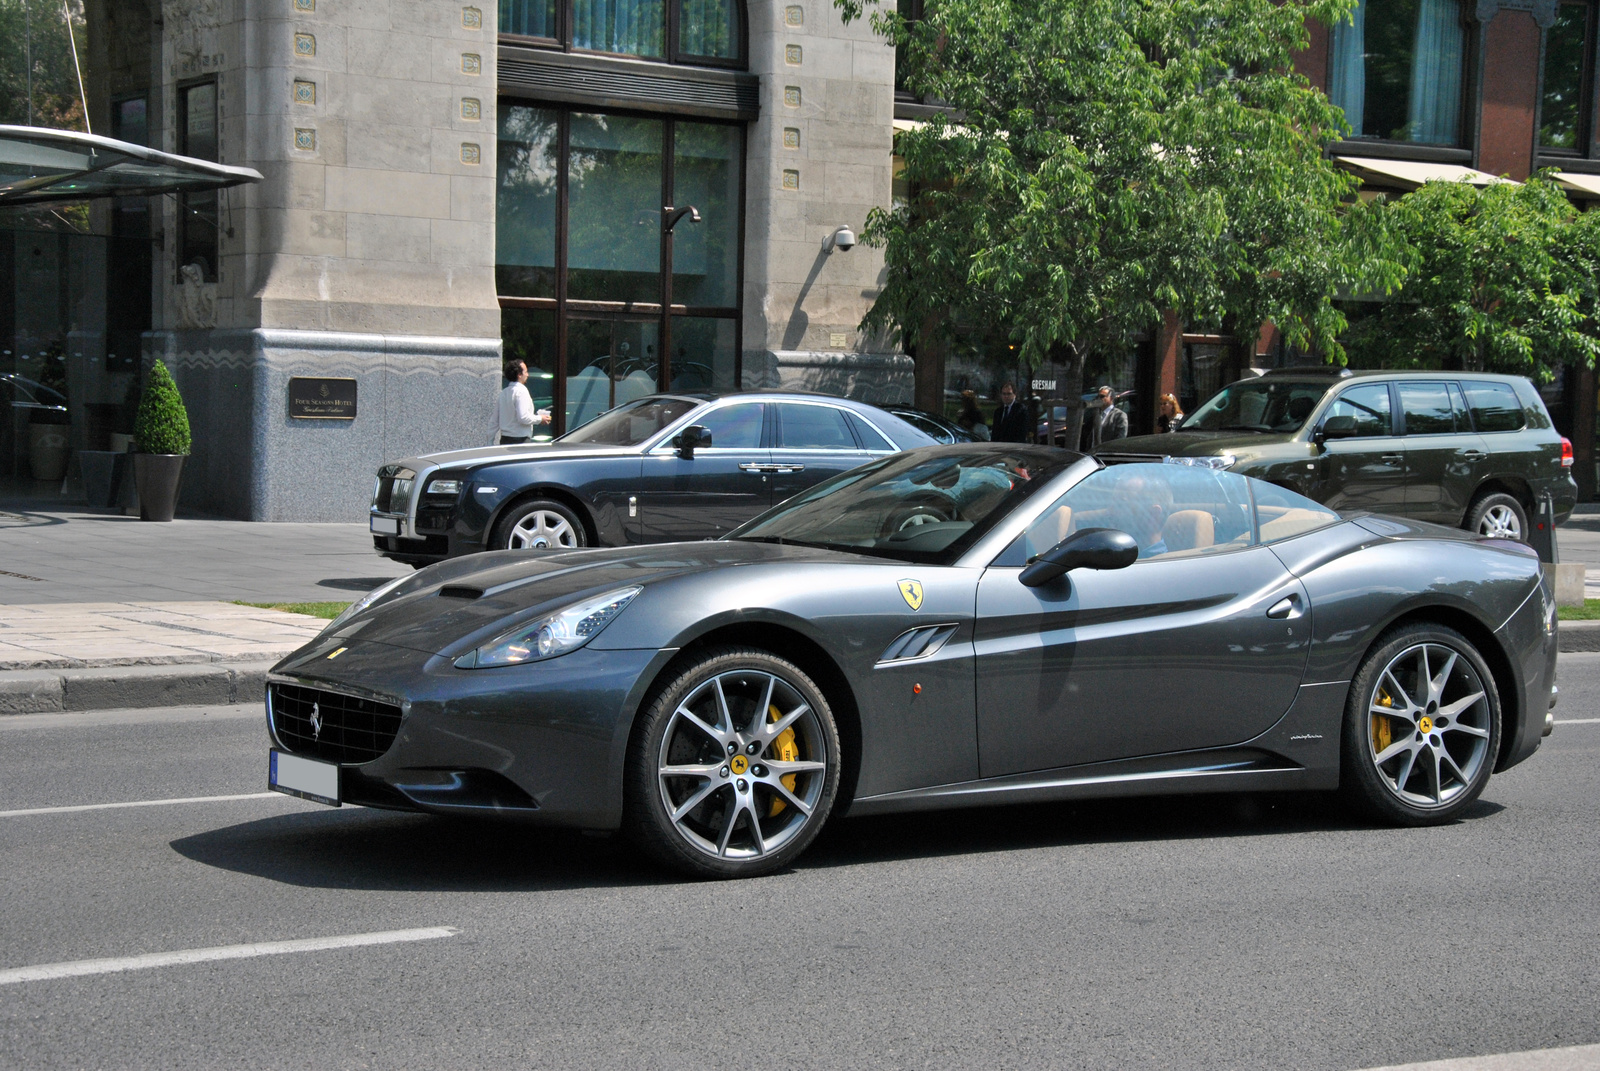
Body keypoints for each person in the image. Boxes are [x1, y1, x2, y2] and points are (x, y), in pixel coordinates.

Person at [492, 359, 550, 445]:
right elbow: (523, 417)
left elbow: (494, 420)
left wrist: (490, 441)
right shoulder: (521, 391)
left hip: (504, 440)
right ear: (519, 374)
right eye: (526, 372)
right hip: (520, 440)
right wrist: (540, 418)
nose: (527, 374)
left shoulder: (504, 393)